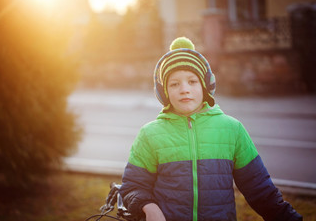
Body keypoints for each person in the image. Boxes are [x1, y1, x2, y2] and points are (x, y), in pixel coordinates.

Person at [119, 37, 302, 221]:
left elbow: (260, 189)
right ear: (164, 91)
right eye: (174, 84)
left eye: (192, 81)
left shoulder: (232, 130)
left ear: (205, 86)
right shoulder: (150, 134)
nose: (184, 89)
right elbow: (132, 186)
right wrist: (148, 207)